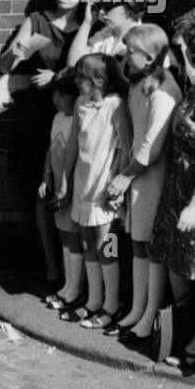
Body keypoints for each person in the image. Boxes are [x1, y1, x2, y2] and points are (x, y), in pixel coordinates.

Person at [123, 14, 195, 363]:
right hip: (176, 187)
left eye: (181, 49)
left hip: (193, 198)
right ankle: (181, 331)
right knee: (175, 266)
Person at [0, 0, 86, 286]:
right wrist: (18, 51)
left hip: (77, 113)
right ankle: (52, 266)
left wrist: (59, 76)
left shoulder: (87, 26)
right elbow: (6, 64)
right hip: (42, 115)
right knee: (44, 186)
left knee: (76, 186)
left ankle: (77, 272)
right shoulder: (37, 20)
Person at [104, 24, 181, 338]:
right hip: (137, 176)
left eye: (130, 51)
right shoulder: (139, 84)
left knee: (150, 244)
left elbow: (152, 147)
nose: (125, 56)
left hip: (153, 178)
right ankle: (137, 309)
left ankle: (149, 316)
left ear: (149, 57)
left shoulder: (164, 91)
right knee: (137, 242)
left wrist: (123, 178)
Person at [55, 53, 132, 330]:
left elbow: (125, 146)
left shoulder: (115, 106)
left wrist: (117, 180)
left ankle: (112, 304)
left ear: (98, 80)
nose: (76, 82)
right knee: (88, 242)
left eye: (81, 77)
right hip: (82, 183)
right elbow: (74, 144)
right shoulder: (80, 104)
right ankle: (94, 300)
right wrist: (65, 180)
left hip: (103, 188)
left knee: (105, 244)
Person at [39, 73, 83, 312]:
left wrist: (67, 186)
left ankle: (75, 287)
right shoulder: (57, 118)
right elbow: (51, 148)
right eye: (54, 93)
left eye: (62, 94)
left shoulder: (77, 120)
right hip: (57, 187)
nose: (56, 99)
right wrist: (46, 175)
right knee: (64, 235)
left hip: (71, 188)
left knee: (74, 236)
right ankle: (68, 284)